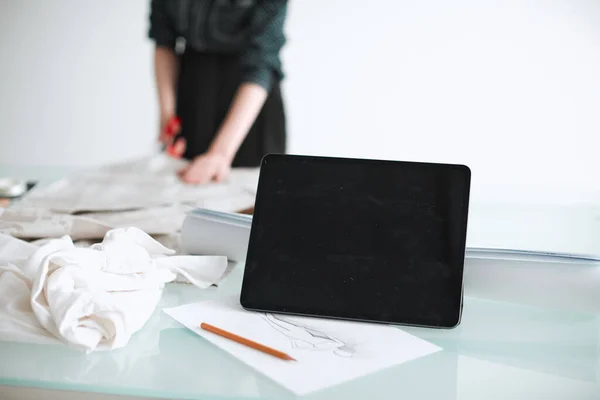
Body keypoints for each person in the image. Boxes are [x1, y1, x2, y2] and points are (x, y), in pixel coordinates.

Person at [148, 0, 288, 184]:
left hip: (248, 104)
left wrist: (220, 154)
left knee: (253, 193)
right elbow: (163, 40)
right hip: (192, 91)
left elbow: (261, 65)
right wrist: (168, 117)